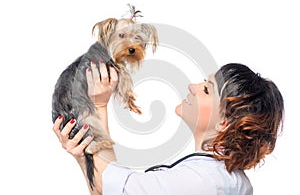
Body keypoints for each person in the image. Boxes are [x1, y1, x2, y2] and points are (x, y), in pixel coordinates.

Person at [53, 62, 284, 195]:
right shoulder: (220, 176)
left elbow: (113, 187)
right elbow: (111, 187)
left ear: (224, 122)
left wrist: (98, 106)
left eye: (206, 90)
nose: (192, 87)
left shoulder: (201, 181)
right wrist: (83, 156)